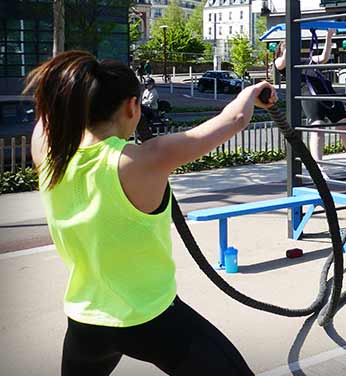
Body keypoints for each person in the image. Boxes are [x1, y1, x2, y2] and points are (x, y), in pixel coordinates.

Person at [25, 50, 270, 375]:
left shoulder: (48, 156)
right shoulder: (141, 160)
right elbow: (234, 120)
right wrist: (251, 92)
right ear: (132, 106)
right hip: (152, 320)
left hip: (85, 323)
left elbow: (46, 119)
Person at [274, 29, 346, 164]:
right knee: (318, 126)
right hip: (310, 94)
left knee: (344, 124)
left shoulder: (305, 60)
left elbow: (323, 58)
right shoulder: (281, 62)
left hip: (326, 92)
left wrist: (328, 37)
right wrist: (287, 48)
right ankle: (318, 165)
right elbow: (280, 63)